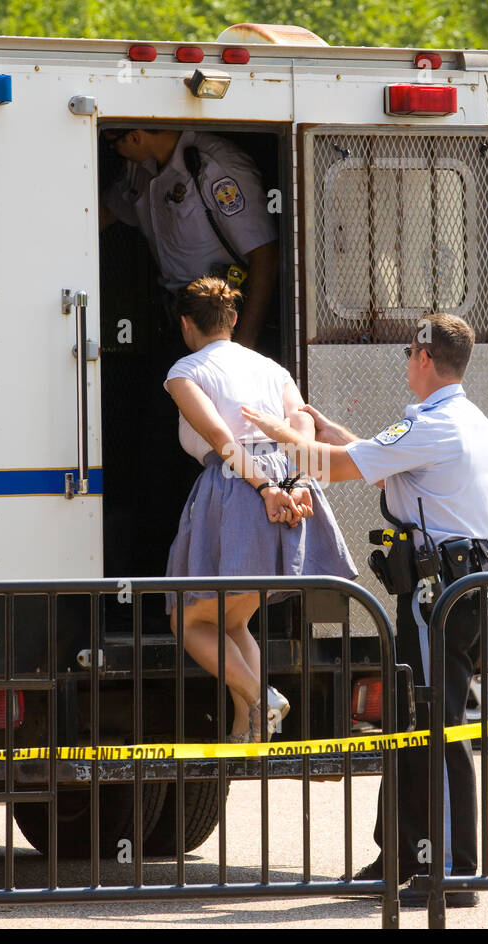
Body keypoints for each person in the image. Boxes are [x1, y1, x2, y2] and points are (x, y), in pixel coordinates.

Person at [242, 313, 488, 908]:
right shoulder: (458, 419)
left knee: (437, 729)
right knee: (412, 726)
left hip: (439, 597)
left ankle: (452, 872)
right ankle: (403, 855)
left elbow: (336, 467)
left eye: (409, 350)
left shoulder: (437, 426)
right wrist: (320, 426)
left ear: (426, 358)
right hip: (444, 592)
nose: (405, 359)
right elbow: (363, 452)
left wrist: (279, 433)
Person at [164, 278, 356, 741]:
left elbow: (219, 439)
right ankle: (248, 726)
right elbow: (301, 425)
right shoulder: (273, 368)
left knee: (185, 620)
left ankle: (260, 695)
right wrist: (298, 482)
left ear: (187, 324)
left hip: (238, 486)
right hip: (290, 479)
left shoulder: (184, 370)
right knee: (231, 618)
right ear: (232, 319)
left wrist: (267, 487)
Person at [101, 128, 278, 349]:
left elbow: (265, 256)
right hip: (177, 318)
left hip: (221, 320)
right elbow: (106, 212)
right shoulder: (139, 168)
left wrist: (244, 343)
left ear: (135, 137)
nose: (115, 151)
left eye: (113, 144)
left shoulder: (215, 166)